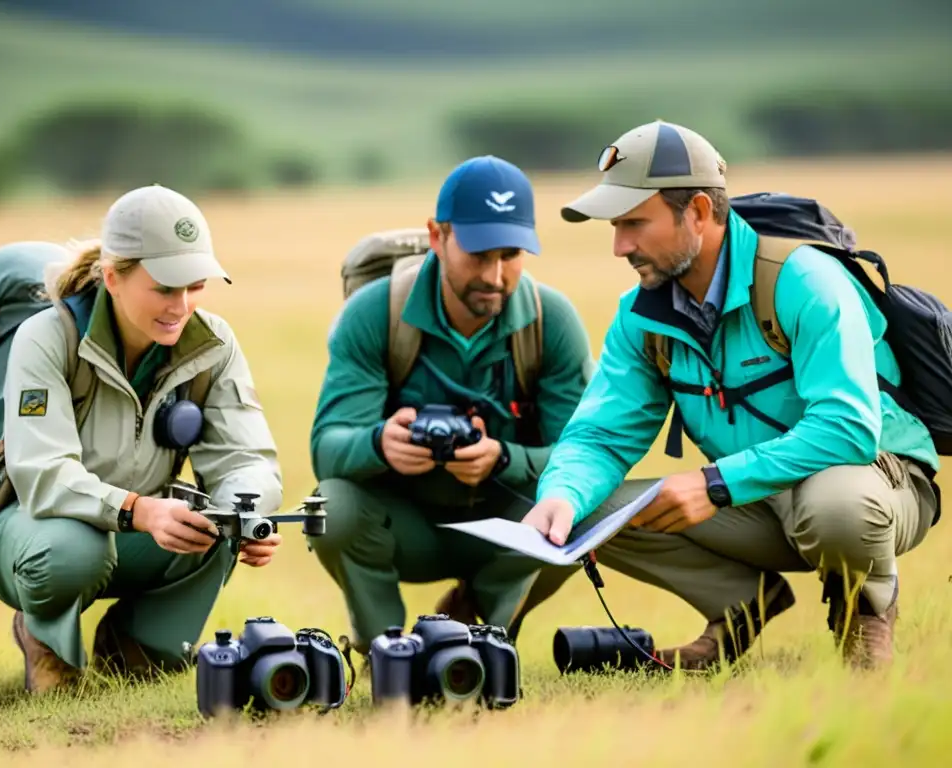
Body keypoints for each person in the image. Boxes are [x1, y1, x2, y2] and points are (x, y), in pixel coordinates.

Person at [515, 120, 940, 670]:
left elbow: (847, 429)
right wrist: (562, 494)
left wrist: (715, 483)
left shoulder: (804, 280)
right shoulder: (640, 315)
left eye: (634, 224)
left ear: (696, 211)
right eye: (615, 227)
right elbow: (601, 433)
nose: (620, 247)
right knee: (590, 512)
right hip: (754, 495)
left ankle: (866, 618)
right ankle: (740, 606)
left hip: (874, 482)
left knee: (836, 504)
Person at [0, 185, 285, 694]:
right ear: (114, 277)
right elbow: (44, 474)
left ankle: (137, 649)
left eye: (195, 285)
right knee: (77, 548)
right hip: (39, 532)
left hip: (140, 530)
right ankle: (47, 642)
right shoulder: (46, 338)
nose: (180, 306)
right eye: (164, 287)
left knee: (215, 526)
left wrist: (243, 515)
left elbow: (245, 457)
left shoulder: (213, 342)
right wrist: (141, 510)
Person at [307, 155, 594, 656]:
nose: (496, 274)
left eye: (511, 254)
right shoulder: (375, 313)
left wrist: (504, 458)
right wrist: (381, 444)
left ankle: (483, 629)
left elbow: (582, 452)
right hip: (403, 526)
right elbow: (327, 449)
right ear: (437, 236)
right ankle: (385, 649)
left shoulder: (553, 321)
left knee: (589, 507)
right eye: (479, 253)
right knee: (329, 508)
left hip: (509, 528)